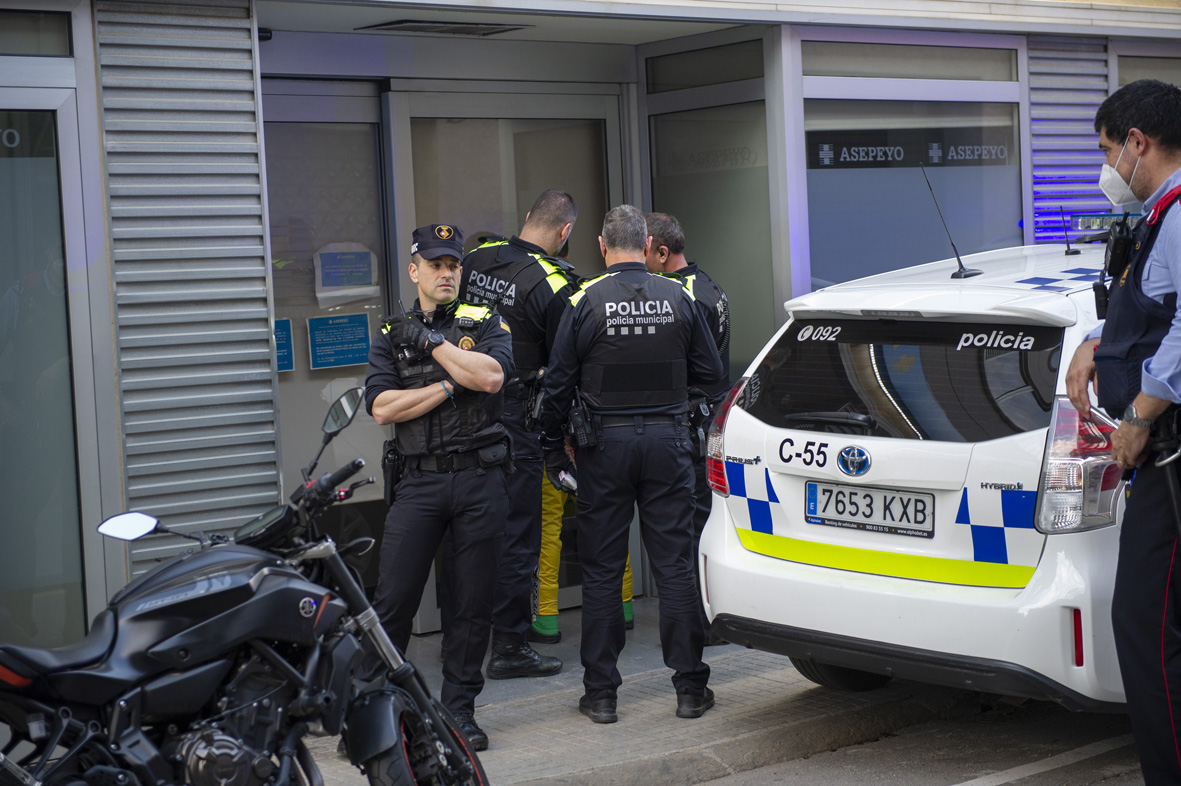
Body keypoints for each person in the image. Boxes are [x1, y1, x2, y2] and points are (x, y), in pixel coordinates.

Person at [540, 204, 724, 724]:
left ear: (602, 247)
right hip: (668, 446)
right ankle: (690, 689)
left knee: (600, 571)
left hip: (604, 449)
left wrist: (553, 450)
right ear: (647, 248)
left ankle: (601, 695)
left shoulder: (583, 300)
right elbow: (712, 379)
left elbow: (556, 388)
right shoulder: (680, 297)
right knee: (674, 567)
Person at [1064, 79, 1181, 785]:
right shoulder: (1159, 218)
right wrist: (1097, 339)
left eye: (1108, 151)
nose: (1108, 169)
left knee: (1143, 623)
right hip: (1161, 454)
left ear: (1137, 142)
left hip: (1167, 454)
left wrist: (1138, 416)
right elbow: (1157, 313)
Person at [363, 223, 515, 752]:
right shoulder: (389, 332)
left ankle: (459, 713)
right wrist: (451, 383)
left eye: (453, 265)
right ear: (415, 271)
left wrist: (431, 343)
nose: (446, 273)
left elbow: (492, 378)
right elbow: (383, 409)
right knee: (393, 600)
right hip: (419, 482)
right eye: (435, 265)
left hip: (479, 478)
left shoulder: (485, 319)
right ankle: (379, 710)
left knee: (470, 605)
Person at [457, 189, 578, 679]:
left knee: (467, 527)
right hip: (517, 420)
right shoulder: (555, 283)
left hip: (461, 410)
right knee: (519, 534)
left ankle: (463, 634)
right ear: (565, 232)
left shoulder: (474, 257)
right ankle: (508, 646)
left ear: (528, 218)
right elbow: (568, 368)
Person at [643, 212, 731, 641]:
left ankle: (701, 623)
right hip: (708, 423)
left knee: (692, 530)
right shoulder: (708, 284)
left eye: (642, 252)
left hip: (692, 426)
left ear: (662, 253)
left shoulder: (678, 297)